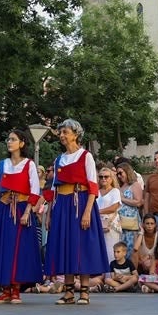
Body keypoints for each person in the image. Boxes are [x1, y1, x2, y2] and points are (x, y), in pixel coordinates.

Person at [43, 119, 107, 305]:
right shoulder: (58, 160)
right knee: (66, 246)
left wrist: (87, 212)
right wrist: (49, 214)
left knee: (82, 245)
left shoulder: (85, 156)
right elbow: (53, 190)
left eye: (65, 132)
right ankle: (69, 292)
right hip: (62, 205)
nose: (62, 135)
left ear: (76, 134)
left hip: (80, 203)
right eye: (61, 132)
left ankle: (85, 292)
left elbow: (93, 186)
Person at [0, 129, 44, 305]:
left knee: (18, 250)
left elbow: (34, 190)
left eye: (13, 139)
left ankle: (16, 290)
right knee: (3, 248)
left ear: (22, 143)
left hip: (22, 210)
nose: (9, 142)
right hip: (4, 209)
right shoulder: (2, 165)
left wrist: (28, 212)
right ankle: (5, 290)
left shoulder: (29, 164)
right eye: (8, 139)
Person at [95, 166, 123, 266]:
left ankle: (110, 275)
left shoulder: (115, 191)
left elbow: (113, 207)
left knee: (111, 250)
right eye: (101, 176)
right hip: (97, 223)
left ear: (111, 178)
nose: (103, 179)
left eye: (106, 176)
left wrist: (97, 211)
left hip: (110, 224)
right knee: (98, 250)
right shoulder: (96, 192)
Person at [115, 163, 143, 251]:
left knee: (131, 249)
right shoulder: (120, 186)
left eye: (121, 173)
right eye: (117, 174)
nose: (119, 176)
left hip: (131, 222)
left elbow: (138, 202)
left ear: (127, 171)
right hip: (120, 223)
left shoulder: (135, 185)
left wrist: (122, 199)